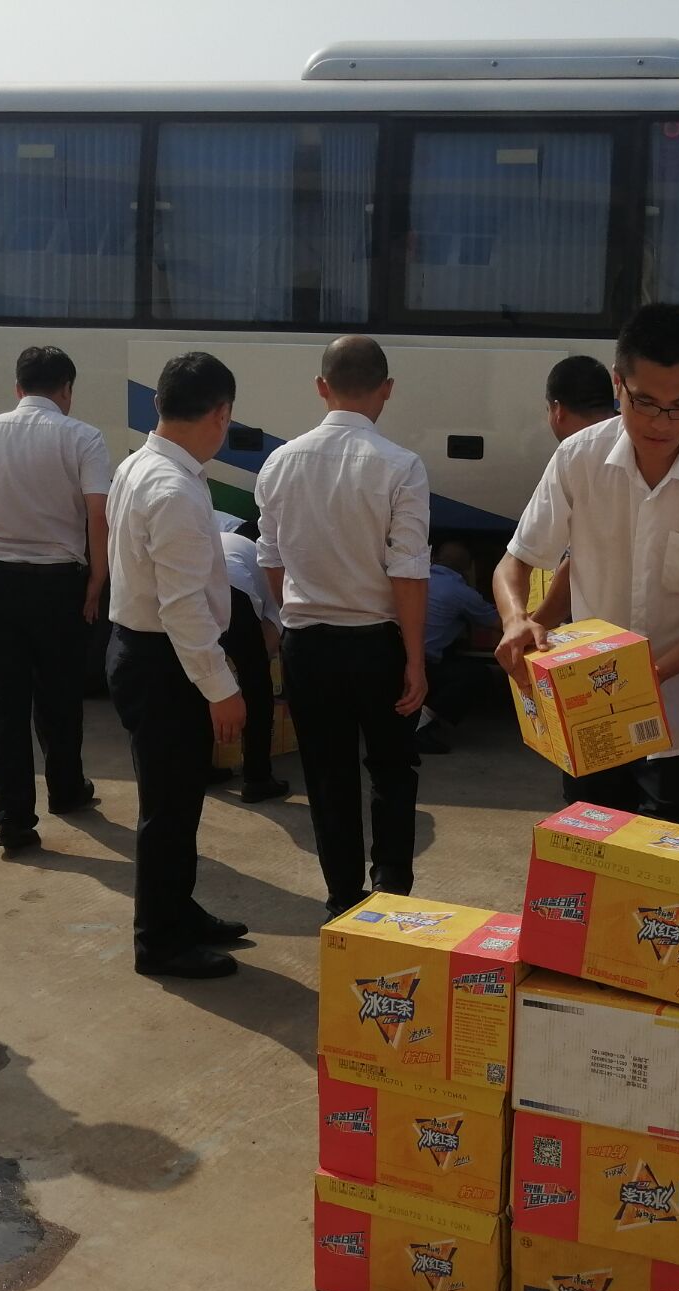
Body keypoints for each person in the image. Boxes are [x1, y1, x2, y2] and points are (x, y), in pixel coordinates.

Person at [493, 304, 679, 830]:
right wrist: (517, 620)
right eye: (644, 402)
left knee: (663, 863)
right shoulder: (579, 457)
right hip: (590, 707)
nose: (660, 422)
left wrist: (647, 677)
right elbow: (517, 560)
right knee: (591, 846)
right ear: (617, 383)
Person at [256, 337, 431, 917]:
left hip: (308, 644)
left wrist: (296, 616)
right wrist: (415, 659)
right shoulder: (401, 465)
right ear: (387, 389)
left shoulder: (280, 462)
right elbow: (408, 570)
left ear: (321, 387)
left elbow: (270, 560)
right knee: (392, 769)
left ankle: (342, 899)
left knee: (326, 776)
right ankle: (391, 892)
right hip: (378, 644)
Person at [105, 352, 250, 980]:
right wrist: (221, 688)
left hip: (144, 651)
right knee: (168, 808)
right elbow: (184, 607)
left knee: (178, 799)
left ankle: (178, 911)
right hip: (165, 662)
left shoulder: (140, 465)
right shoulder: (173, 488)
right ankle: (159, 942)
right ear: (219, 414)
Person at [0, 346, 111, 851]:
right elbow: (98, 516)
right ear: (66, 389)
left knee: (2, 701)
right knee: (59, 692)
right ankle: (66, 790)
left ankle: (13, 819)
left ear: (18, 388)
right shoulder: (84, 437)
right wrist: (96, 580)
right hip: (57, 584)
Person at [529, 355, 617, 626]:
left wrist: (531, 631)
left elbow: (573, 566)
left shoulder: (575, 454)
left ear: (558, 410)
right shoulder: (635, 442)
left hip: (607, 636)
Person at [216, 519, 289, 802]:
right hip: (233, 589)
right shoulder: (271, 565)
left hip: (192, 582)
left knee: (194, 682)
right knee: (257, 686)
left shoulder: (225, 538)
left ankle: (198, 767)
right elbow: (269, 638)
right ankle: (257, 778)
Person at [415, 539, 502, 754]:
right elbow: (500, 622)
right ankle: (420, 724)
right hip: (422, 664)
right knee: (477, 675)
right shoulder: (461, 592)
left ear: (434, 557)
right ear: (467, 567)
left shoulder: (418, 579)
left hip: (395, 657)